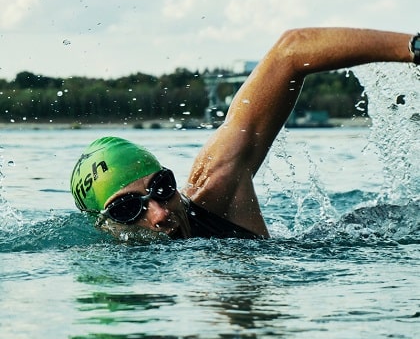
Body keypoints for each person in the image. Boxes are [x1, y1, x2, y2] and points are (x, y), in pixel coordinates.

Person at [70, 27, 420, 240]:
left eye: (161, 187)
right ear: (103, 226)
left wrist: (415, 47)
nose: (160, 214)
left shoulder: (216, 189)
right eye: (127, 210)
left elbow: (291, 50)